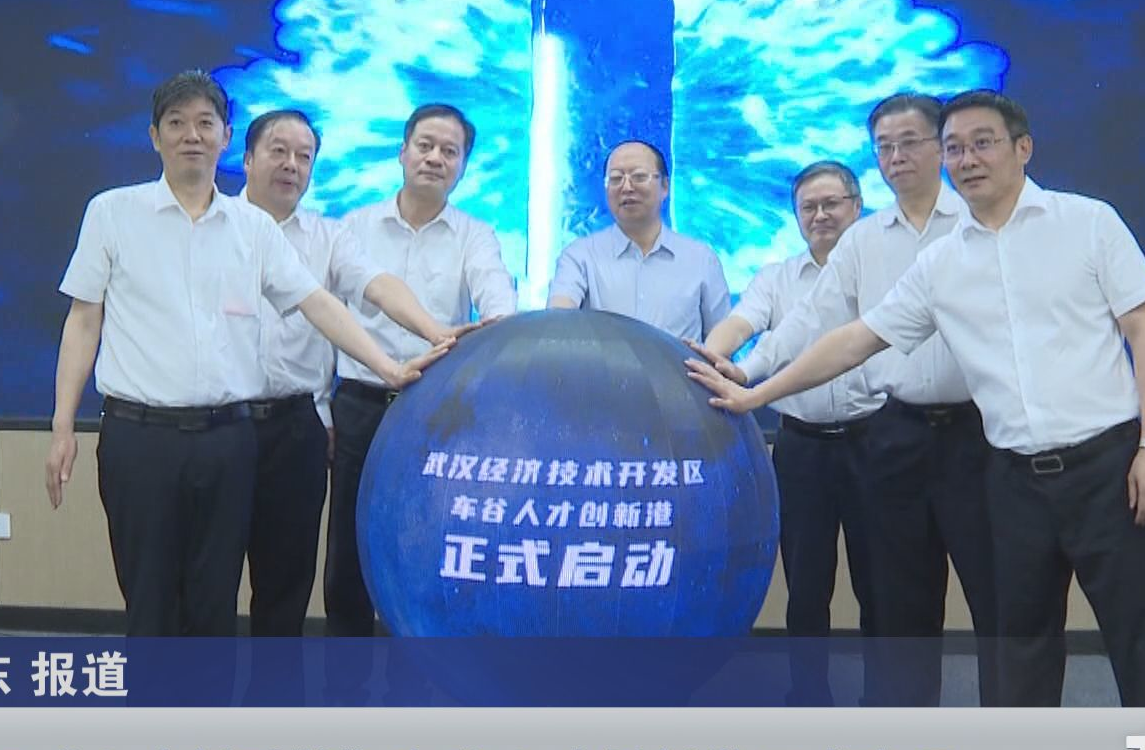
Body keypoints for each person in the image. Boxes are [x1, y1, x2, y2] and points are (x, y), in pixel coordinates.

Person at [686, 89, 1145, 750]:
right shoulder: (943, 262)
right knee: (1018, 653)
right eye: (956, 147)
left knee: (1142, 647)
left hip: (1108, 465)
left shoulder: (1088, 223)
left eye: (981, 143)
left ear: (1023, 148)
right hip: (1011, 474)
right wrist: (757, 393)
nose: (966, 159)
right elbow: (854, 338)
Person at [44, 71, 450, 638]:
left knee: (214, 602)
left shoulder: (253, 229)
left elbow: (316, 302)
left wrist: (387, 367)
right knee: (150, 599)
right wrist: (62, 426)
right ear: (155, 136)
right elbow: (84, 320)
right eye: (177, 123)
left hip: (227, 440)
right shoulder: (112, 213)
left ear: (225, 136)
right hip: (140, 438)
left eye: (205, 123)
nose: (192, 135)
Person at [689, 93, 995, 707]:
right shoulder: (862, 247)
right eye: (884, 145)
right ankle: (888, 726)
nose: (897, 156)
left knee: (994, 595)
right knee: (899, 598)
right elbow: (803, 326)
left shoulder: (981, 223)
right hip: (890, 436)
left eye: (910, 142)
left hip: (975, 434)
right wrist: (741, 373)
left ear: (941, 147)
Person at [236, 108, 471, 637]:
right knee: (207, 579)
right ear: (247, 158)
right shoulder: (213, 227)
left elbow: (377, 285)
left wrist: (436, 333)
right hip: (220, 422)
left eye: (304, 156)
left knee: (285, 586)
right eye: (278, 151)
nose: (291, 165)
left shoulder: (328, 236)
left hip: (295, 425)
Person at [325, 103, 518, 637]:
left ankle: (417, 670)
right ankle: (345, 673)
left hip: (436, 410)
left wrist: (504, 330)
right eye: (425, 146)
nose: (435, 158)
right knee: (349, 547)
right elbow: (324, 319)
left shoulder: (475, 235)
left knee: (428, 542)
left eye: (449, 151)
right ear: (402, 152)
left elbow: (494, 291)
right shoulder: (353, 227)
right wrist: (322, 408)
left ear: (463, 165)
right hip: (361, 402)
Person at [700, 161, 878, 637]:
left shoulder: (883, 271)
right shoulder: (776, 277)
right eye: (808, 207)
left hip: (876, 442)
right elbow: (743, 323)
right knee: (805, 585)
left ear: (857, 207)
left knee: (882, 583)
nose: (820, 215)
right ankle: (807, 683)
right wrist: (713, 355)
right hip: (801, 449)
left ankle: (886, 685)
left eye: (831, 204)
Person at [547, 139, 731, 343]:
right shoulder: (579, 255)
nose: (626, 187)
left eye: (639, 177)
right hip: (602, 365)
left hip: (677, 366)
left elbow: (722, 340)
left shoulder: (701, 259)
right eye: (616, 179)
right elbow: (558, 319)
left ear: (665, 186)